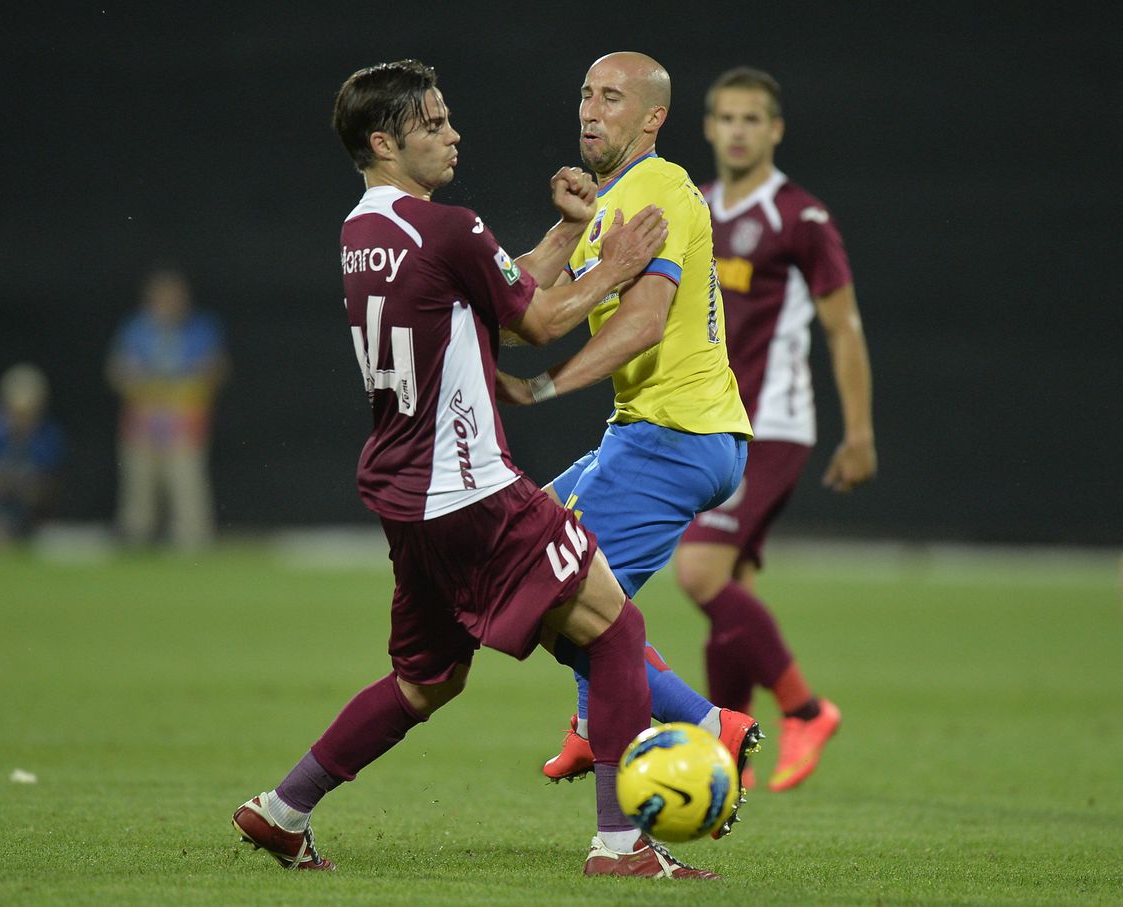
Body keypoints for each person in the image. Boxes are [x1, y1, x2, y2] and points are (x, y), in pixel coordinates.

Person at [232, 59, 722, 880]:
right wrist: (619, 261)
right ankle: (621, 843)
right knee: (617, 627)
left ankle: (283, 809)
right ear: (385, 141)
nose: (453, 133)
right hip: (475, 492)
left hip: (403, 491)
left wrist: (568, 231)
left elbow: (498, 286)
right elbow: (538, 318)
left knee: (427, 680)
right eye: (433, 123)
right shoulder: (447, 226)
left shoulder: (364, 232)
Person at [495, 52, 760, 832]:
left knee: (544, 588)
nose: (591, 111)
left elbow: (644, 319)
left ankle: (713, 730)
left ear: (652, 119)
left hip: (677, 436)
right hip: (650, 434)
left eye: (612, 99)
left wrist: (545, 388)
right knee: (519, 556)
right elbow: (523, 302)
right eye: (584, 94)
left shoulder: (660, 190)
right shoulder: (606, 200)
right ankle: (591, 719)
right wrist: (567, 228)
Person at [674, 66, 877, 792]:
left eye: (752, 118)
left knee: (697, 571)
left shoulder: (802, 219)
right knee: (730, 588)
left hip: (772, 425)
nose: (737, 130)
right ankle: (733, 753)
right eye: (725, 117)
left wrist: (859, 433)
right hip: (707, 422)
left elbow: (843, 327)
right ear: (706, 126)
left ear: (775, 129)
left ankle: (806, 708)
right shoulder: (691, 206)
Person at [105, 266, 228, 550]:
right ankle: (135, 538)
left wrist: (184, 388)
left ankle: (192, 540)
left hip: (183, 419)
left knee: (186, 483)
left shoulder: (199, 329)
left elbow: (215, 370)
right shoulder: (136, 329)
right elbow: (118, 371)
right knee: (139, 485)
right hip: (143, 420)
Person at [0, 363, 65, 544]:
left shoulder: (48, 434)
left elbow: (48, 482)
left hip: (25, 496)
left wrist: (23, 486)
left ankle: (20, 529)